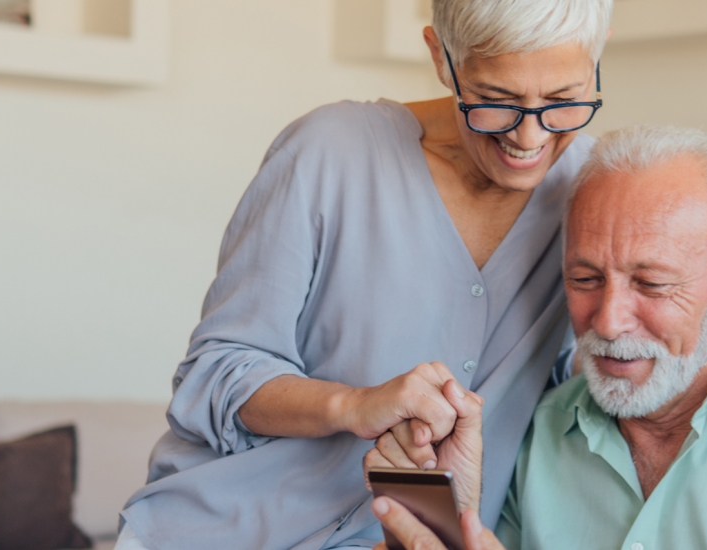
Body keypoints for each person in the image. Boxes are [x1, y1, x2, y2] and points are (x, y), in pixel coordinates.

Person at [116, 1, 615, 549]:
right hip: (218, 531)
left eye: (563, 101)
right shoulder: (329, 152)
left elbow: (580, 400)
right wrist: (354, 406)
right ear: (441, 59)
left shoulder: (596, 193)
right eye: (496, 102)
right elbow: (213, 374)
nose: (527, 137)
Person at [366, 125, 707, 550]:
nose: (607, 322)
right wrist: (459, 517)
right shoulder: (536, 430)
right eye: (585, 279)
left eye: (651, 284)